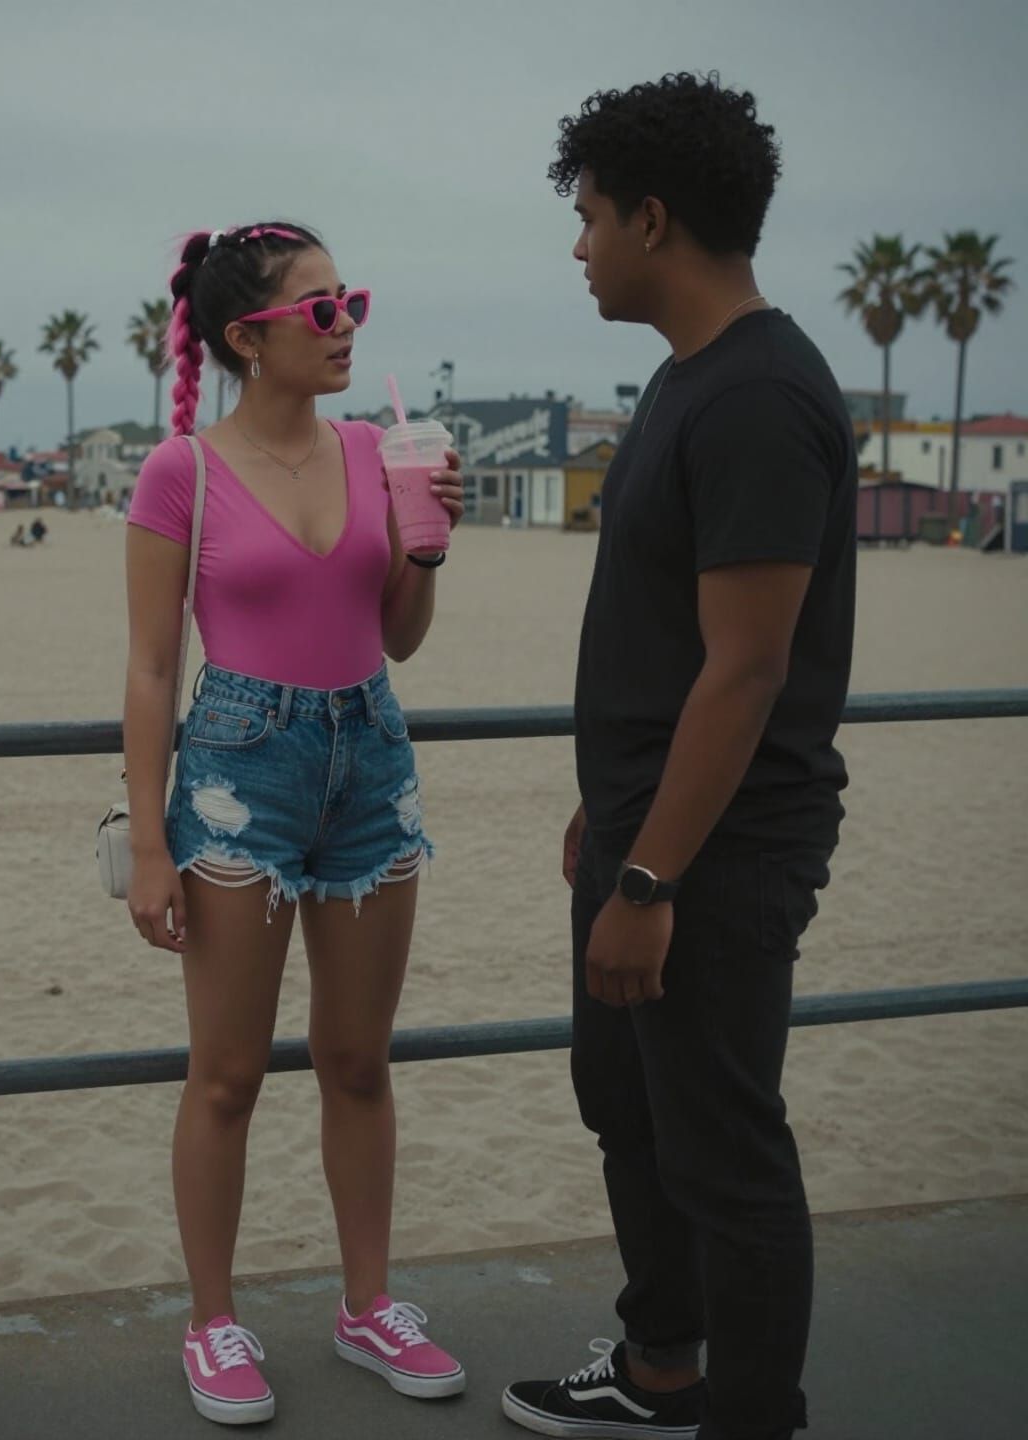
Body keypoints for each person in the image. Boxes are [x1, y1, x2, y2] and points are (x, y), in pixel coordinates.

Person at [501, 74, 857, 1440]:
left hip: (719, 851)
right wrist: (613, 824)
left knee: (724, 1150)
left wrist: (652, 876)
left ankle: (750, 1421)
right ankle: (660, 1373)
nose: (578, 244)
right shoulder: (684, 381)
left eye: (589, 217)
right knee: (628, 1109)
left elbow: (750, 666)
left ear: (653, 217)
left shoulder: (760, 396)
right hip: (648, 832)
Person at [123, 222, 466, 1427]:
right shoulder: (185, 473)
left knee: (359, 1061)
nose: (346, 324)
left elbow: (401, 635)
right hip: (235, 772)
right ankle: (213, 1321)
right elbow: (153, 669)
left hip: (371, 755)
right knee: (224, 1076)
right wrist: (151, 843)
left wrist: (430, 545)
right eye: (319, 308)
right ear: (244, 339)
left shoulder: (376, 449)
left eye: (351, 299)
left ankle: (367, 1304)